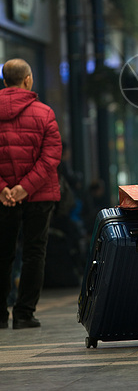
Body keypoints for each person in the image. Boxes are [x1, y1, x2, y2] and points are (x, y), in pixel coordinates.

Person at [0, 59, 62, 329]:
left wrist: (4, 188)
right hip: (38, 195)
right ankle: (24, 314)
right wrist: (26, 188)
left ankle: (0, 315)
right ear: (27, 80)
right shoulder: (44, 112)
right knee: (34, 252)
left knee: (3, 253)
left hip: (2, 198)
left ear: (4, 81)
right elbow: (51, 157)